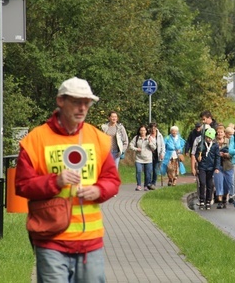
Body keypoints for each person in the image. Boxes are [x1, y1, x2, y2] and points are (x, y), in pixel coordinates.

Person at [15, 77, 121, 282]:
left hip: (90, 241)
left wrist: (99, 190)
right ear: (60, 101)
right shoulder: (36, 140)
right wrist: (55, 182)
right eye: (76, 102)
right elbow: (22, 185)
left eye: (86, 103)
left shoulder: (97, 138)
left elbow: (111, 179)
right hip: (51, 239)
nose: (82, 108)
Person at [194, 128, 220, 210]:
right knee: (202, 182)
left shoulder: (215, 146)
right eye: (207, 137)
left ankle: (208, 200)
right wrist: (198, 157)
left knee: (210, 184)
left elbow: (217, 157)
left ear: (212, 138)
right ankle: (202, 199)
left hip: (211, 167)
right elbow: (196, 153)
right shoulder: (201, 144)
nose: (208, 139)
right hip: (202, 166)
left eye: (209, 138)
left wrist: (216, 167)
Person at [129, 125, 157, 191]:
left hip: (148, 159)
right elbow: (130, 146)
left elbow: (154, 148)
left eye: (144, 130)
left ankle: (146, 186)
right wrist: (136, 149)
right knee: (138, 171)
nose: (142, 132)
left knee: (148, 173)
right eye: (141, 130)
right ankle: (138, 185)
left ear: (146, 131)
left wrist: (150, 142)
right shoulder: (136, 138)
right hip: (139, 158)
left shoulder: (150, 138)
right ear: (139, 131)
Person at [148, 122, 165, 187]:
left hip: (157, 155)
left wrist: (162, 154)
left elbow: (163, 145)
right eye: (151, 128)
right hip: (149, 154)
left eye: (154, 128)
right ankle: (148, 182)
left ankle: (153, 182)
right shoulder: (148, 135)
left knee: (155, 169)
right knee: (149, 169)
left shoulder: (160, 136)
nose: (153, 129)